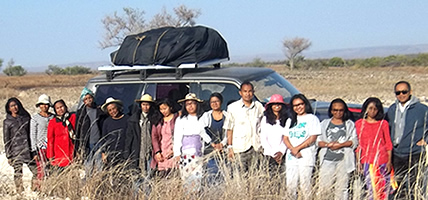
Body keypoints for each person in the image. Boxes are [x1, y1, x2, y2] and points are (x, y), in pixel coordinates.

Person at [386, 80, 428, 199]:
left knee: (415, 186)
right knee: (396, 187)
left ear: (410, 92)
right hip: (397, 154)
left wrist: (426, 139)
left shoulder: (422, 109)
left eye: (404, 92)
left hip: (415, 153)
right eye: (398, 92)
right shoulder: (392, 109)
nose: (401, 95)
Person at [317, 98, 358, 200]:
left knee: (342, 187)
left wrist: (341, 145)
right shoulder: (324, 124)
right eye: (335, 110)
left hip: (343, 160)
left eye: (340, 110)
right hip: (327, 159)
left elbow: (354, 141)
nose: (338, 113)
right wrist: (328, 145)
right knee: (324, 187)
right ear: (331, 111)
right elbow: (318, 141)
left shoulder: (349, 124)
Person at [356, 97, 396, 200]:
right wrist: (358, 162)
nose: (372, 111)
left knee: (383, 189)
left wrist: (389, 161)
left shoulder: (383, 124)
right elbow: (358, 145)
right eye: (370, 108)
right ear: (365, 109)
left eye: (375, 109)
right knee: (372, 188)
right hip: (367, 161)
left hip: (382, 160)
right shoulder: (360, 124)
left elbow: (388, 143)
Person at [282, 94, 320, 200]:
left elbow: (313, 138)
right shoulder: (290, 121)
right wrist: (292, 149)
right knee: (290, 186)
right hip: (291, 157)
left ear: (305, 104)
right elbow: (285, 137)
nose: (298, 107)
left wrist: (297, 148)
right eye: (295, 105)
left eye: (300, 104)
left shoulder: (312, 119)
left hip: (305, 156)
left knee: (305, 185)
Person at [173, 93, 211, 195]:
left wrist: (212, 144)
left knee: (199, 180)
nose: (190, 106)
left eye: (193, 103)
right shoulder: (181, 119)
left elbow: (205, 134)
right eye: (188, 104)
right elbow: (177, 137)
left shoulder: (203, 117)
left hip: (199, 154)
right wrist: (177, 153)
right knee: (187, 180)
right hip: (186, 155)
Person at [225, 81, 264, 173]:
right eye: (245, 91)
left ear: (253, 92)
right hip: (239, 148)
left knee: (255, 175)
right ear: (240, 93)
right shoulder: (233, 108)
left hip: (255, 147)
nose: (247, 94)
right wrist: (230, 147)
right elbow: (229, 128)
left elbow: (262, 126)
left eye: (250, 91)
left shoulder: (259, 107)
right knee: (240, 175)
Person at [3, 97, 33, 194]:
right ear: (8, 108)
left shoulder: (26, 118)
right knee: (18, 173)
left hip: (28, 149)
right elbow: (6, 139)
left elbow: (31, 133)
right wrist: (9, 155)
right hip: (16, 152)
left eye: (15, 105)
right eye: (11, 106)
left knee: (36, 171)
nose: (14, 107)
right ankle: (19, 191)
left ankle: (35, 189)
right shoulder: (7, 122)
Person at [200, 92, 229, 183]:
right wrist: (212, 143)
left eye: (217, 101)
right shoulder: (206, 116)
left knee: (224, 174)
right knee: (212, 174)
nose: (214, 104)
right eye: (212, 102)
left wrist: (222, 144)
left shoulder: (227, 116)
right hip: (210, 150)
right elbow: (201, 131)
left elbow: (230, 131)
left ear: (221, 102)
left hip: (224, 151)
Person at [125, 94, 156, 175]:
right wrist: (127, 154)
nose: (145, 107)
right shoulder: (134, 120)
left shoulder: (154, 118)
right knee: (137, 176)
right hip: (137, 151)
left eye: (148, 105)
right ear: (140, 105)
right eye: (143, 104)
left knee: (150, 176)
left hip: (150, 152)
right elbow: (129, 138)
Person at [30, 94, 54, 190]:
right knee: (41, 169)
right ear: (39, 105)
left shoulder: (53, 117)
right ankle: (40, 188)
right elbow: (33, 134)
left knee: (51, 169)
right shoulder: (35, 118)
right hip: (41, 148)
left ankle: (49, 187)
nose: (44, 106)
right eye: (42, 104)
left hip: (51, 147)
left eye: (46, 104)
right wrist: (34, 150)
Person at [260, 94, 288, 176]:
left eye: (279, 104)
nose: (277, 106)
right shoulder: (265, 119)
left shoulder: (287, 120)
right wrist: (273, 153)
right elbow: (263, 137)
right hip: (269, 154)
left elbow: (286, 137)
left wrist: (281, 152)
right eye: (274, 104)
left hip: (282, 154)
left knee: (282, 177)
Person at [150, 98, 179, 176]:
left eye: (165, 108)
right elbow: (154, 137)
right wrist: (157, 152)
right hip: (162, 152)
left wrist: (175, 150)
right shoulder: (158, 121)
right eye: (161, 109)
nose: (163, 111)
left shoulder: (177, 119)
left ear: (170, 107)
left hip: (173, 151)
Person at [47, 100, 76, 171]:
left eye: (61, 107)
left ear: (65, 107)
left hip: (72, 153)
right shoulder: (53, 122)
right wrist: (50, 156)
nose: (60, 109)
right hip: (59, 155)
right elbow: (50, 140)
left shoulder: (73, 117)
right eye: (57, 108)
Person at [100, 97, 129, 167]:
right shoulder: (107, 122)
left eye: (114, 108)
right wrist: (103, 153)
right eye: (110, 110)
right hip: (111, 155)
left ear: (118, 108)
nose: (112, 111)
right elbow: (104, 138)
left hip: (125, 153)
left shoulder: (127, 119)